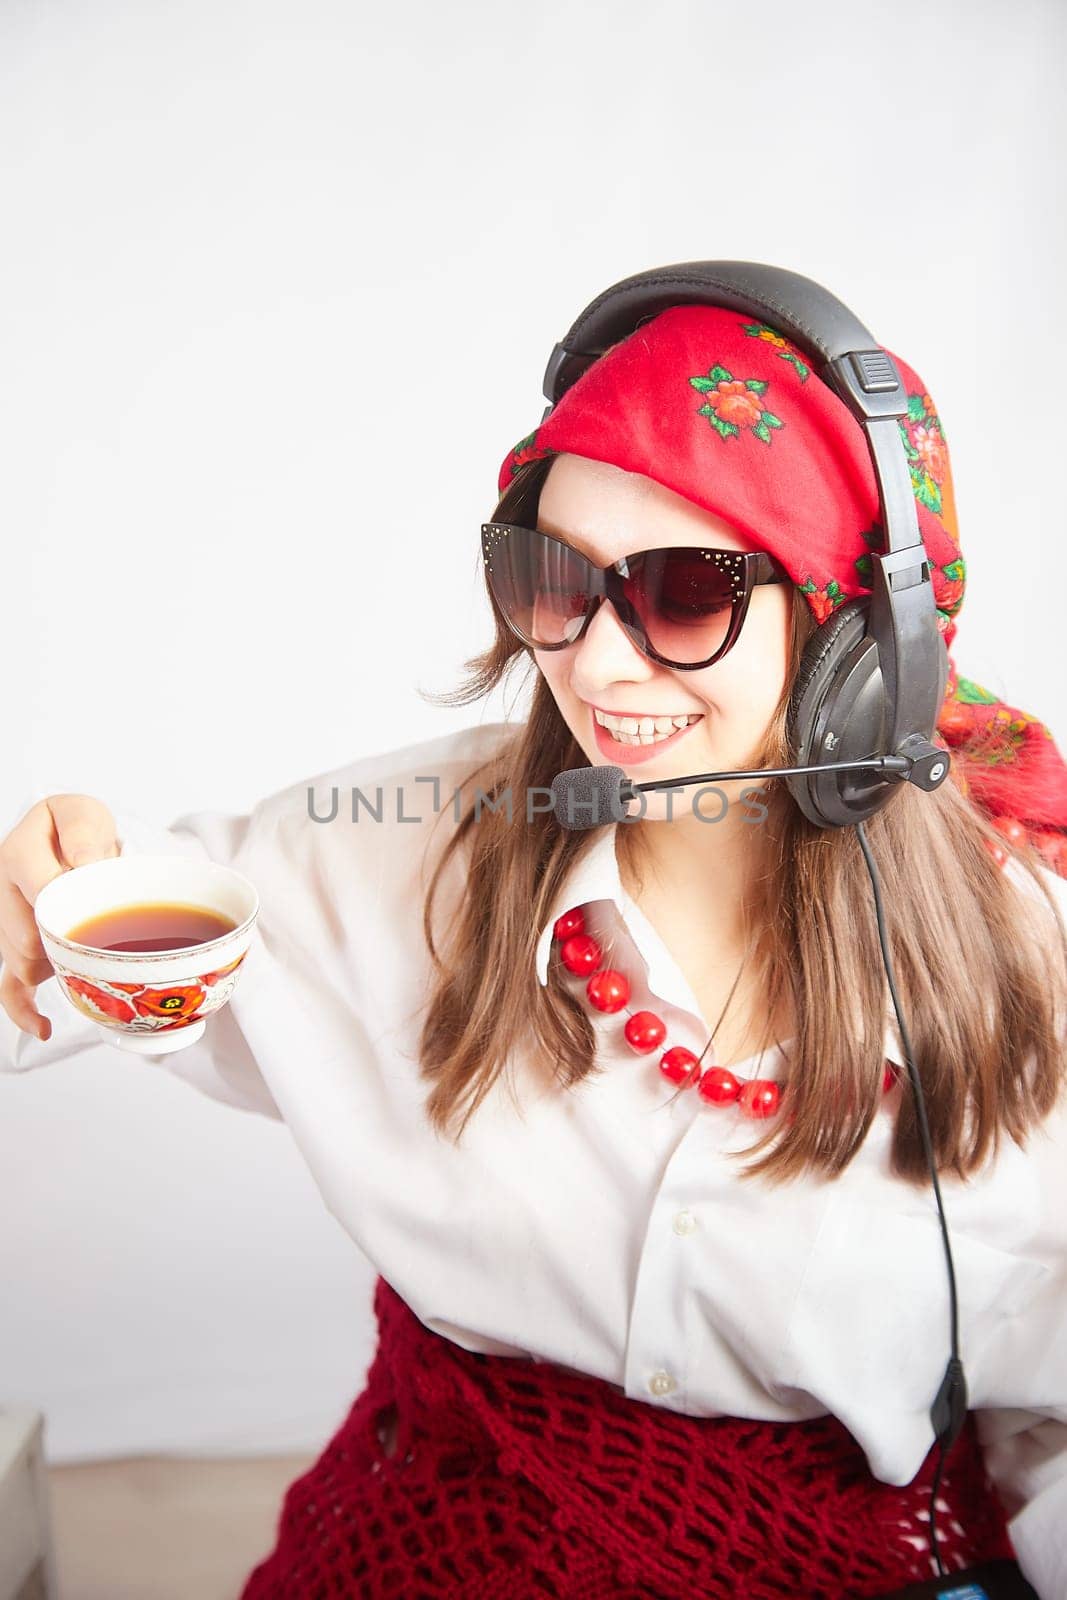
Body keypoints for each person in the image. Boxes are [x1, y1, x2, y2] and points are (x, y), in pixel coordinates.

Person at [2, 296, 1067, 1599]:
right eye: (548, 583)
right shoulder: (404, 849)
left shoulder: (1034, 954)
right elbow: (99, 974)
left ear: (860, 632)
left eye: (683, 594)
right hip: (425, 1541)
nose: (596, 664)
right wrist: (40, 910)